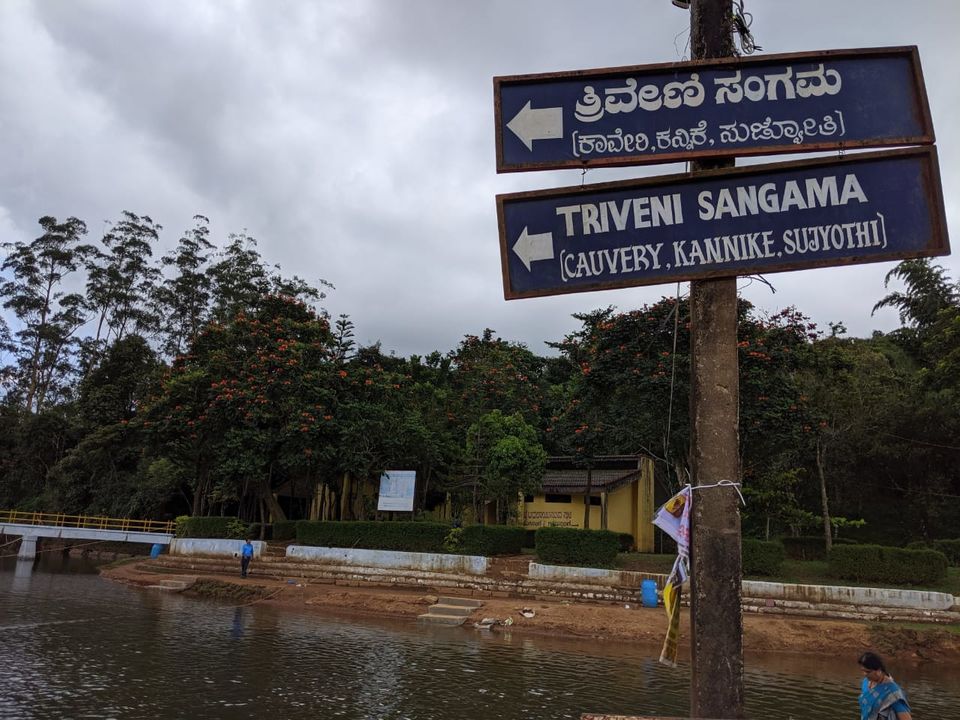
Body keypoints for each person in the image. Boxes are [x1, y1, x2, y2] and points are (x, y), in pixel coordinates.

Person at [858, 651, 912, 720]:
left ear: (879, 670)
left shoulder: (892, 693)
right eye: (862, 671)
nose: (864, 674)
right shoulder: (866, 682)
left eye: (868, 671)